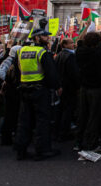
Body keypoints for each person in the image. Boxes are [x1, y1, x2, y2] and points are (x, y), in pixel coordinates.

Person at [15, 29, 62, 161]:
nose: (47, 38)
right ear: (36, 38)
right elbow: (51, 72)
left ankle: (21, 149)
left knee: (24, 121)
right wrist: (57, 86)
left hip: (24, 89)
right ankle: (42, 150)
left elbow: (17, 70)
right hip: (39, 90)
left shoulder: (21, 51)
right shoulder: (42, 52)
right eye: (44, 36)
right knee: (42, 120)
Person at [75, 32, 101, 152]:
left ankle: (79, 142)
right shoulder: (98, 54)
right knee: (94, 116)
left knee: (82, 115)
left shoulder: (79, 51)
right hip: (96, 87)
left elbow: (79, 43)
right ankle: (91, 143)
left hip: (83, 86)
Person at [54, 38, 80, 142]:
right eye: (71, 43)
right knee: (68, 110)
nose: (73, 44)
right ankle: (64, 132)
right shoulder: (70, 56)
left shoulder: (59, 55)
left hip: (61, 86)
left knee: (61, 110)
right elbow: (74, 73)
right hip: (69, 87)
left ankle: (58, 131)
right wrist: (78, 86)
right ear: (64, 45)